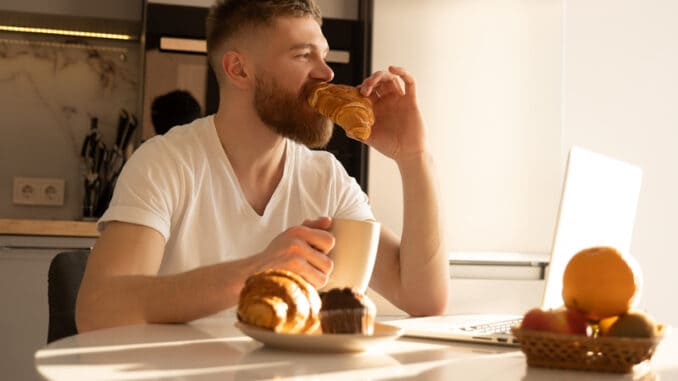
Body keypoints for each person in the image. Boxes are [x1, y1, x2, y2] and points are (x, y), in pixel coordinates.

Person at [75, 0, 449, 331]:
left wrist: (414, 156)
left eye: (324, 55)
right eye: (304, 55)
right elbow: (98, 308)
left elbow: (423, 298)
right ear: (239, 70)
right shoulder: (166, 163)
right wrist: (254, 271)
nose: (326, 73)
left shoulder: (326, 178)